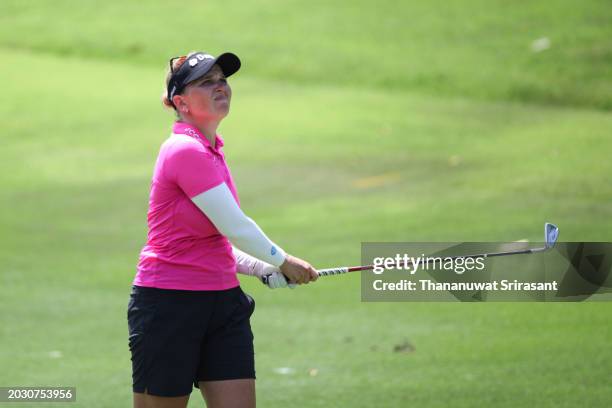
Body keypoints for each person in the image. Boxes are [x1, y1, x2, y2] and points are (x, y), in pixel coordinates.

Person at [128, 51, 318, 408]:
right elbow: (236, 227)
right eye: (206, 82)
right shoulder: (183, 150)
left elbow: (211, 242)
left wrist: (264, 268)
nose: (220, 87)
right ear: (180, 102)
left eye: (222, 79)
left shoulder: (212, 150)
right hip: (169, 304)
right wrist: (283, 259)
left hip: (223, 303)